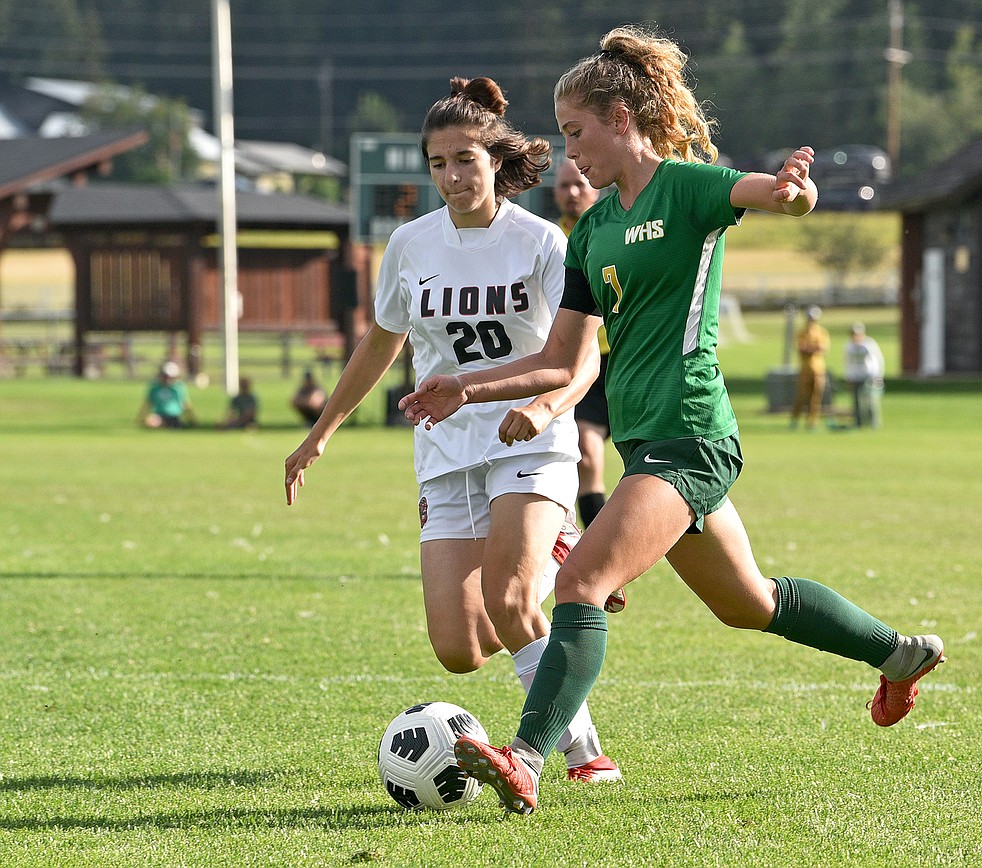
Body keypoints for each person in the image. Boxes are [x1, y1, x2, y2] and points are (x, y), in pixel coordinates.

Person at [399, 25, 944, 815]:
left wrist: (797, 191)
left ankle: (526, 759)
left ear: (622, 118)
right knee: (748, 603)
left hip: (690, 438)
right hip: (646, 446)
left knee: (581, 581)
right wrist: (467, 387)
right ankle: (897, 654)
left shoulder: (687, 188)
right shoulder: (592, 232)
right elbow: (559, 360)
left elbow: (771, 194)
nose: (570, 152)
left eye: (577, 132)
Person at [283, 76, 620, 783]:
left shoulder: (543, 243)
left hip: (530, 438)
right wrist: (322, 431)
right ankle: (547, 563)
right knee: (460, 647)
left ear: (495, 158)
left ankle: (583, 754)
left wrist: (546, 409)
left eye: (465, 159)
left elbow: (581, 361)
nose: (453, 176)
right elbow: (381, 344)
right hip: (445, 445)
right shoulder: (410, 244)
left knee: (513, 598)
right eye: (438, 164)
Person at [554, 159, 610, 531]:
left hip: (622, 358)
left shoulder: (616, 229)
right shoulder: (548, 240)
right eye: (563, 186)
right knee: (587, 455)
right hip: (577, 361)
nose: (573, 192)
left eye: (579, 183)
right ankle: (597, 553)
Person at [790, 305, 830, 429]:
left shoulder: (821, 331)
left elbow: (822, 348)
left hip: (818, 369)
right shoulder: (802, 332)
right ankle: (795, 420)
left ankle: (812, 422)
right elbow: (801, 348)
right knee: (801, 397)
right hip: (805, 369)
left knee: (816, 397)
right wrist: (812, 349)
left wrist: (809, 349)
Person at [843, 322, 885, 429]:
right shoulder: (849, 346)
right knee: (856, 401)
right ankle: (858, 422)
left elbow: (877, 360)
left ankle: (873, 422)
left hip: (869, 375)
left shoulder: (869, 344)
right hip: (856, 376)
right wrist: (849, 377)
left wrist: (878, 376)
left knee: (870, 400)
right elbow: (847, 363)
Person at [138, 361, 196, 428]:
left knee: (176, 424)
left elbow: (186, 404)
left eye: (170, 377)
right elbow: (148, 403)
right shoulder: (154, 388)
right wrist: (141, 418)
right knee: (151, 422)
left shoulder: (178, 388)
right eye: (165, 376)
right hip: (159, 415)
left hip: (174, 416)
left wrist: (192, 419)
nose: (167, 379)